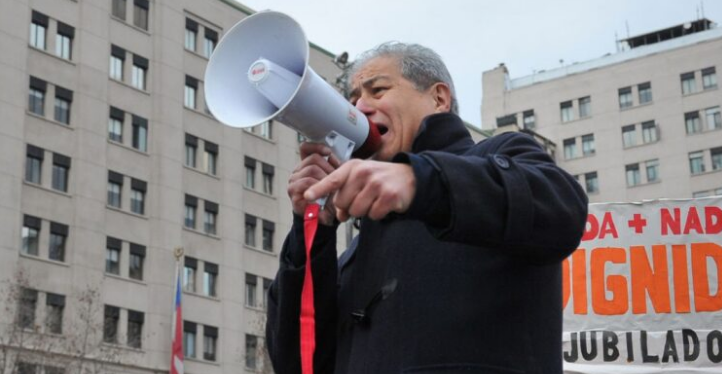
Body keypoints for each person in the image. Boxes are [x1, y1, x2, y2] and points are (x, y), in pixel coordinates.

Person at [266, 42, 588, 374]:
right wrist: (314, 229)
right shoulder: (357, 252)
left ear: (438, 98)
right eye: (353, 100)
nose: (360, 106)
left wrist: (421, 179)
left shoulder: (500, 154)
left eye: (378, 90)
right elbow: (296, 362)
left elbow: (563, 210)